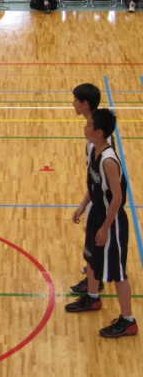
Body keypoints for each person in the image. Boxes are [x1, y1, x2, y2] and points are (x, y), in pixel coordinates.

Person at [65, 109, 138, 338]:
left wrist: (106, 227)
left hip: (112, 221)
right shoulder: (94, 149)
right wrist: (82, 205)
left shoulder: (108, 160)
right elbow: (94, 186)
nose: (84, 127)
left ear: (99, 132)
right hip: (97, 213)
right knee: (92, 258)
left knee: (117, 273)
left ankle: (128, 321)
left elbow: (117, 197)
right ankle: (93, 297)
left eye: (88, 125)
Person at [68, 84, 107, 296]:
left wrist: (86, 203)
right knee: (90, 234)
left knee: (94, 239)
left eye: (75, 100)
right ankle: (95, 273)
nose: (72, 104)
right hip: (96, 193)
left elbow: (99, 177)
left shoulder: (97, 138)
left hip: (101, 196)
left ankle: (96, 280)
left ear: (85, 104)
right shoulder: (95, 128)